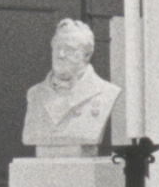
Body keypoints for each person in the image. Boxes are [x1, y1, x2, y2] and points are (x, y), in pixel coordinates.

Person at [21, 17, 121, 153]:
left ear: (87, 55)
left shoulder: (106, 92)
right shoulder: (35, 94)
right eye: (57, 48)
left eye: (69, 49)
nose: (60, 55)